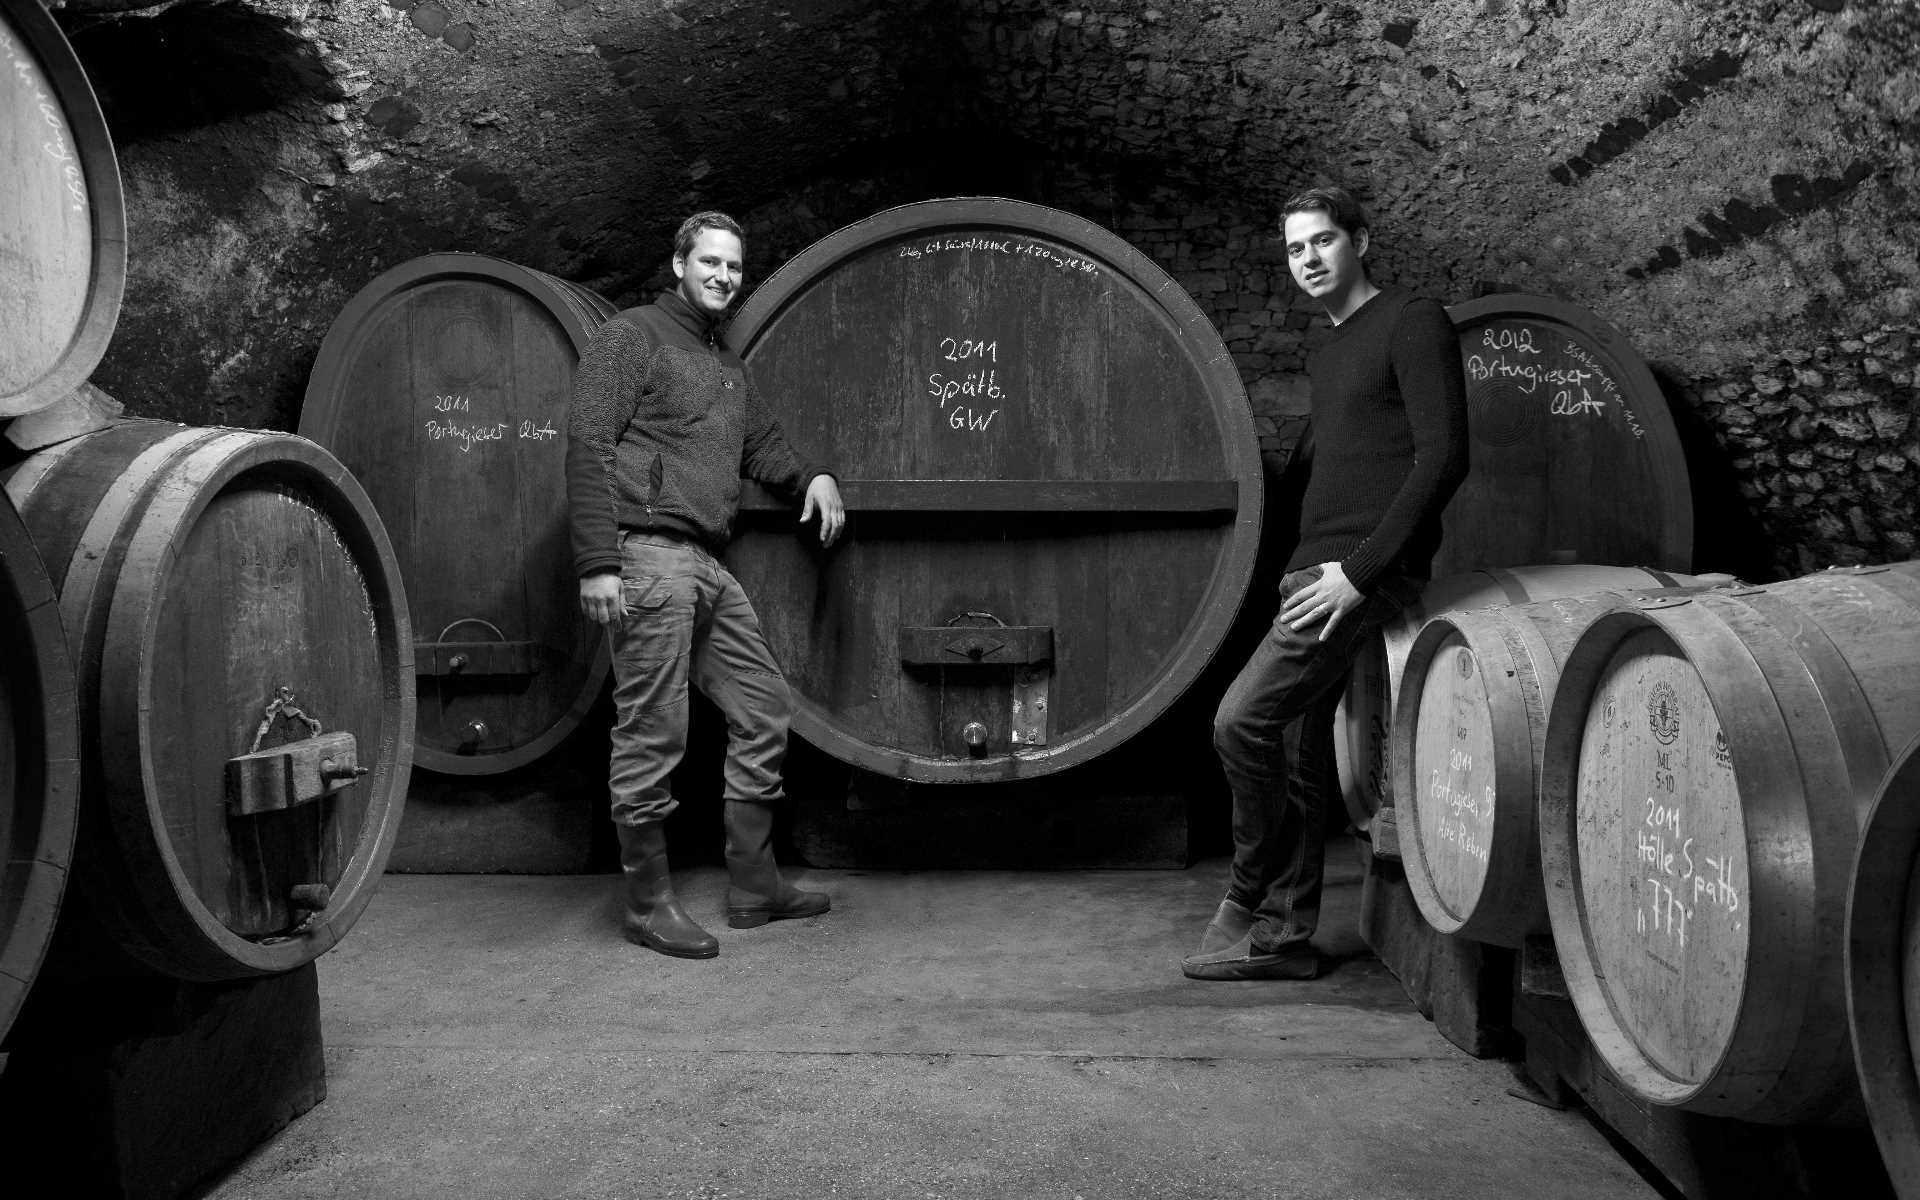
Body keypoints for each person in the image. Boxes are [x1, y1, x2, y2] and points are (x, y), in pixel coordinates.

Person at [1182, 186, 1469, 981]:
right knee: (1299, 758)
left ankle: (1247, 891)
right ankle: (1283, 939)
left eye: (1322, 241)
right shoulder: (1332, 350)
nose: (1307, 258)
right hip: (1314, 574)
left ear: (1361, 241)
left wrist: (1361, 574)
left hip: (1355, 574)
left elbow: (1445, 457)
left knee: (1239, 722)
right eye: (1295, 249)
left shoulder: (1412, 320)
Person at [566, 210, 845, 960]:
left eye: (734, 266)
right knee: (653, 729)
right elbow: (588, 444)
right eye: (710, 262)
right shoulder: (632, 336)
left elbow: (762, 445)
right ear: (679, 264)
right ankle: (647, 905)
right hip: (647, 555)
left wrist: (812, 476)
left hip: (704, 561)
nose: (723, 276)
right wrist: (597, 562)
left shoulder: (726, 363)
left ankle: (754, 886)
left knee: (764, 707)